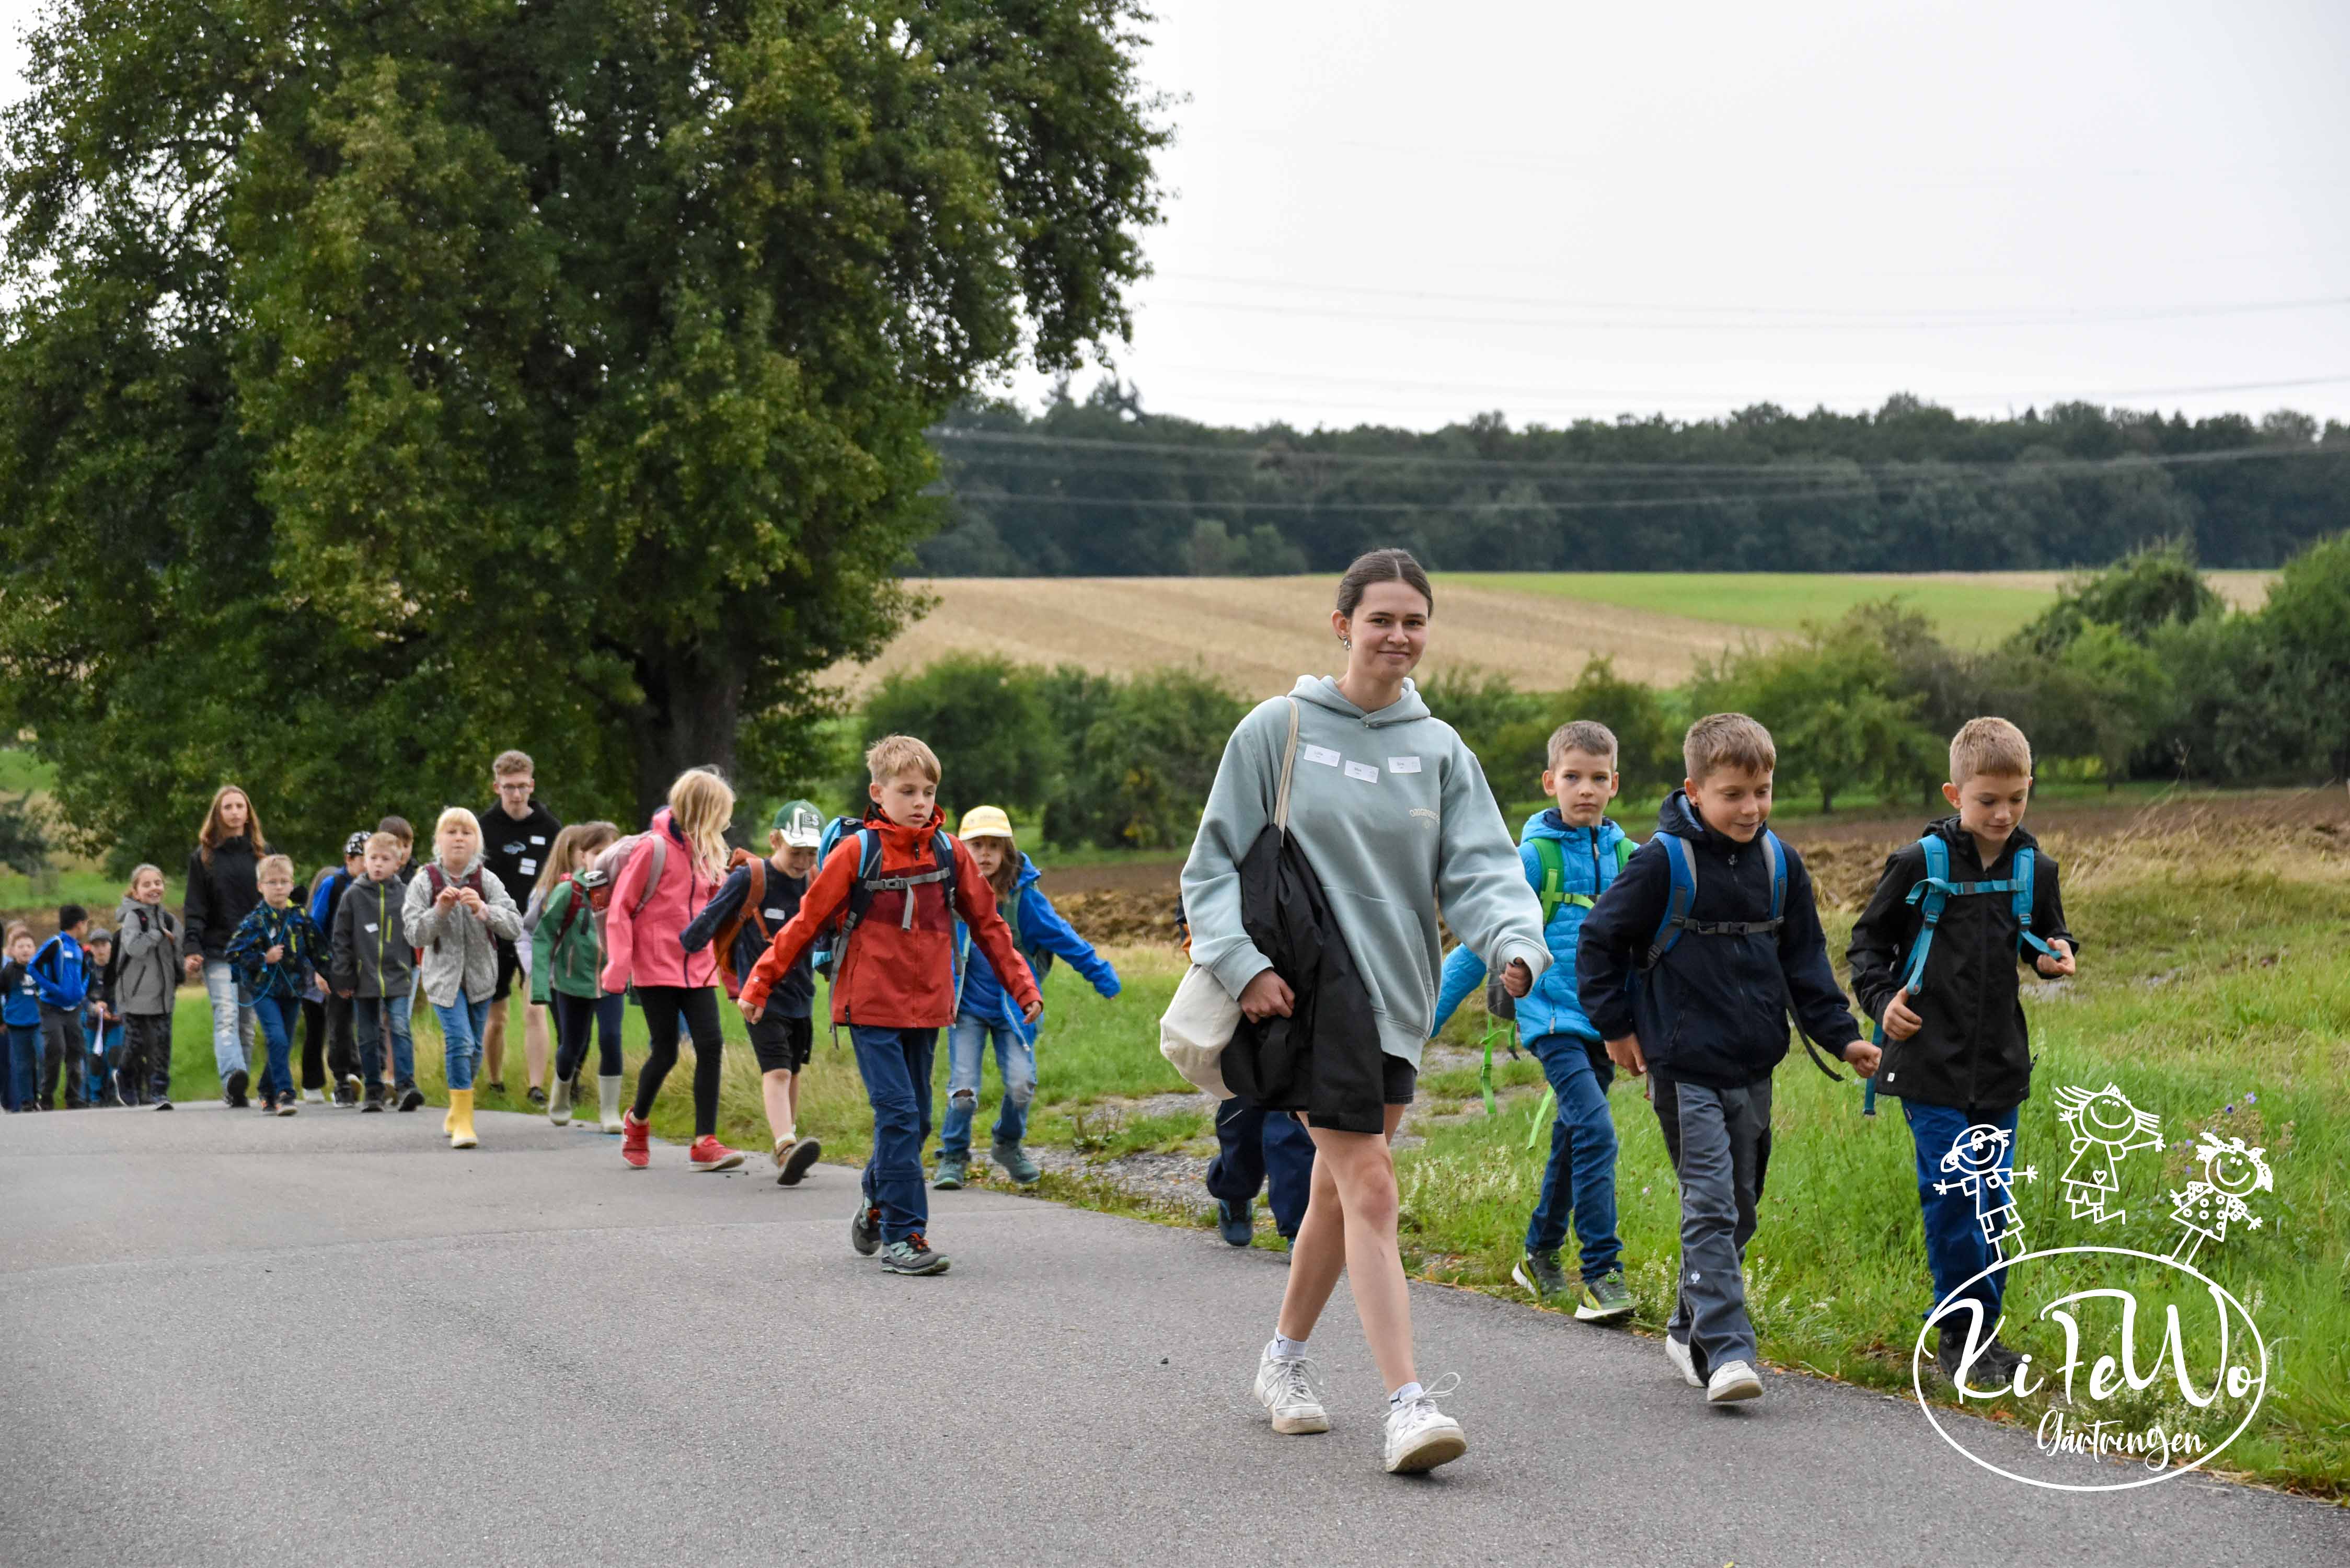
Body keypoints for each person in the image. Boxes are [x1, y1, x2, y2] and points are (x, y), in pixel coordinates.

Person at [1183, 548, 1549, 1475]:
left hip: (1397, 1002)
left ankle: (1282, 1362)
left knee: (1337, 1189)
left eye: (1414, 621)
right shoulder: (1278, 729)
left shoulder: (1440, 750)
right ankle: (1407, 1406)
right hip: (1304, 999)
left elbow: (1482, 868)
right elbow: (1212, 865)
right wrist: (1241, 965)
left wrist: (1513, 944)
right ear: (1342, 625)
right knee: (1373, 1185)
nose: (1398, 635)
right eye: (1381, 619)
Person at [1579, 712, 1879, 1406]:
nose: (1750, 809)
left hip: (1754, 1066)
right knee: (1710, 1204)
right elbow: (1597, 941)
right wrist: (1616, 1028)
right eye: (1733, 795)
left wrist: (1843, 1037)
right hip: (1683, 1067)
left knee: (1741, 1211)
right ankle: (1729, 1351)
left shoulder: (1781, 865)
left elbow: (1805, 964)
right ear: (1694, 791)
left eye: (1762, 792)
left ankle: (1687, 1329)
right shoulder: (1661, 862)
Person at [739, 737, 1041, 1277]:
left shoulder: (949, 853)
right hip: (870, 1007)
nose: (920, 802)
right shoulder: (858, 853)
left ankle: (876, 1200)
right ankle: (904, 1237)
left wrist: (1022, 987)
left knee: (917, 1120)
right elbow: (805, 923)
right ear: (878, 793)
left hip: (928, 1009)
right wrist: (760, 983)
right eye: (907, 792)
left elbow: (990, 926)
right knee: (899, 1115)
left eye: (928, 792)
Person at [1847, 716, 2077, 1385]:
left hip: (2000, 1067)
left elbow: (2048, 936)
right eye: (1986, 800)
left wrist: (2056, 957)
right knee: (1953, 1197)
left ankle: (1982, 1335)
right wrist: (1880, 1001)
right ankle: (1958, 1337)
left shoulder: (2035, 868)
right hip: (1927, 1065)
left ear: (2028, 789)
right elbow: (1866, 945)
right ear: (1954, 795)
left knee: (1992, 1205)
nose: (2002, 814)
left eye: (2016, 798)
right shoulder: (1918, 864)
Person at [1431, 719, 1638, 1321]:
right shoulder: (1531, 859)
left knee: (1573, 1138)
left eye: (1597, 778)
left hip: (1606, 1026)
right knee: (1596, 1132)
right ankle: (1601, 1275)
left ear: (1614, 784)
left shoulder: (1631, 859)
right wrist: (1421, 1021)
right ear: (1550, 782)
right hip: (1551, 1021)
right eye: (1572, 777)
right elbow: (1477, 945)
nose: (1585, 790)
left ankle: (1538, 1253)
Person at [934, 804, 1120, 1189]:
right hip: (965, 1008)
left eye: (994, 846)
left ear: (1008, 851)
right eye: (976, 845)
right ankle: (953, 1155)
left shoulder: (1024, 900)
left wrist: (1101, 975)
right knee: (963, 1091)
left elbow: (1064, 938)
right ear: (961, 850)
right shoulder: (948, 896)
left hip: (1017, 1009)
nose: (985, 854)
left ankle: (1007, 1144)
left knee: (1021, 1085)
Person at [604, 769, 748, 1174]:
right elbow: (621, 908)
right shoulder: (653, 849)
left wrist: (735, 980)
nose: (726, 821)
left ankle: (705, 1142)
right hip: (655, 967)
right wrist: (618, 966)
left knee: (711, 1044)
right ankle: (637, 1121)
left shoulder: (711, 854)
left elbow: (722, 920)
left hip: (698, 967)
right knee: (665, 1051)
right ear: (704, 809)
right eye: (721, 812)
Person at [681, 801, 824, 1183]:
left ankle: (788, 1145)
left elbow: (828, 931)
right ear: (774, 840)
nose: (803, 861)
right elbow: (710, 918)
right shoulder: (751, 878)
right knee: (777, 1070)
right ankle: (785, 1146)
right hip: (758, 997)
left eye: (811, 853)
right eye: (796, 852)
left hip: (802, 995)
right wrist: (688, 942)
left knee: (793, 1071)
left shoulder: (815, 881)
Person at [403, 807, 525, 1149]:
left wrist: (484, 910)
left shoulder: (487, 880)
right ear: (438, 841)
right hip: (443, 980)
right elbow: (414, 934)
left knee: (474, 1049)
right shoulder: (424, 881)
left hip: (482, 978)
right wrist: (439, 910)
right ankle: (465, 1123)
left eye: (466, 833)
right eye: (452, 832)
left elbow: (515, 925)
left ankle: (456, 1111)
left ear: (477, 843)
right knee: (460, 1041)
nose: (459, 839)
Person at [528, 820, 624, 1132]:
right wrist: (540, 986)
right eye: (597, 853)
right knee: (572, 1046)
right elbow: (543, 936)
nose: (604, 859)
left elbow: (632, 936)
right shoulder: (568, 891)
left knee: (611, 1039)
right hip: (571, 982)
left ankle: (609, 1111)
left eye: (610, 852)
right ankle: (560, 1095)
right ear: (583, 857)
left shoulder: (622, 891)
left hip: (609, 982)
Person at [478, 751, 561, 1105]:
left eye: (522, 787)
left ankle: (536, 1086)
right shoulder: (483, 828)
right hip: (495, 931)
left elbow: (561, 877)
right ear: (497, 787)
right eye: (509, 787)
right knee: (496, 1016)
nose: (516, 794)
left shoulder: (550, 828)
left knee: (535, 1008)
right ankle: (495, 1081)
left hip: (535, 932)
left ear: (532, 785)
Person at [181, 784, 265, 1107]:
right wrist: (193, 946)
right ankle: (232, 1076)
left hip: (254, 952)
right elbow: (195, 906)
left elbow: (273, 900)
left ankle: (238, 1089)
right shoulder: (204, 858)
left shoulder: (262, 854)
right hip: (218, 950)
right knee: (226, 1015)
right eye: (227, 807)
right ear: (217, 814)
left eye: (239, 806)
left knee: (247, 1025)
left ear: (248, 813)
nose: (234, 812)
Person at [223, 858, 326, 1116]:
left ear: (292, 885)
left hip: (293, 989)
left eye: (284, 882)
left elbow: (319, 949)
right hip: (264, 990)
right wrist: (263, 958)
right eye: (272, 883)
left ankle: (265, 1089)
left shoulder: (300, 917)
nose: (279, 887)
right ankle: (285, 1094)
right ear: (260, 887)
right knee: (276, 1038)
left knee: (284, 1043)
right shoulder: (255, 921)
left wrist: (328, 975)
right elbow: (233, 953)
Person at [332, 831, 423, 1112]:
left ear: (398, 863)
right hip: (365, 978)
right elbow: (341, 938)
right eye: (373, 858)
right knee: (368, 1034)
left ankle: (406, 1085)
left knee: (400, 1027)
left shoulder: (406, 895)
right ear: (365, 861)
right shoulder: (353, 895)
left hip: (398, 975)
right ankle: (373, 1088)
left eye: (385, 859)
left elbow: (416, 931)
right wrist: (343, 977)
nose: (378, 864)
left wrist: (416, 962)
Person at [304, 833, 368, 1104]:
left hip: (368, 966)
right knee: (339, 1024)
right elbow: (314, 928)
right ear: (349, 859)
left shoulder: (378, 886)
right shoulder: (333, 885)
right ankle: (342, 1080)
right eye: (364, 859)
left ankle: (366, 1076)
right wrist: (319, 968)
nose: (370, 865)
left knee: (370, 1023)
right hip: (337, 966)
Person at [114, 866, 182, 1109]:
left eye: (158, 883)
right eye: (147, 885)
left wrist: (188, 961)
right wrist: (157, 935)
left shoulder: (169, 919)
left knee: (162, 1043)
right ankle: (124, 1075)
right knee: (137, 1043)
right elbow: (134, 948)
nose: (154, 888)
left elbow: (180, 949)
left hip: (162, 994)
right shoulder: (134, 917)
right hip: (134, 993)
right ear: (135, 892)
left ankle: (159, 1092)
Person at [29, 906, 95, 1111]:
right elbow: (33, 967)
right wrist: (53, 988)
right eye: (86, 923)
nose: (86, 927)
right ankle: (46, 1098)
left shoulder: (79, 948)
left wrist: (81, 991)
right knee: (56, 1049)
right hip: (52, 1008)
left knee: (77, 1051)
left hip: (74, 1009)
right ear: (79, 924)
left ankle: (73, 1098)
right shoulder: (55, 943)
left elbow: (86, 973)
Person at [80, 928, 122, 1106]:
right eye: (96, 946)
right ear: (91, 948)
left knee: (115, 1055)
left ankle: (115, 1094)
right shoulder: (86, 968)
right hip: (93, 1021)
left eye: (104, 945)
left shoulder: (119, 967)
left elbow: (126, 992)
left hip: (116, 1021)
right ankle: (95, 1097)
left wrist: (116, 1011)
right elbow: (80, 995)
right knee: (94, 1059)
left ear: (111, 946)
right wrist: (94, 1007)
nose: (100, 950)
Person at [2, 924, 39, 1111]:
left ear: (35, 949)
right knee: (22, 1064)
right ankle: (27, 1100)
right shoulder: (8, 971)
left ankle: (41, 1094)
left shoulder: (41, 969)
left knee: (43, 1056)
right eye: (21, 946)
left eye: (29, 946)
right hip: (16, 1024)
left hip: (39, 1022)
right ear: (12, 951)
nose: (25, 950)